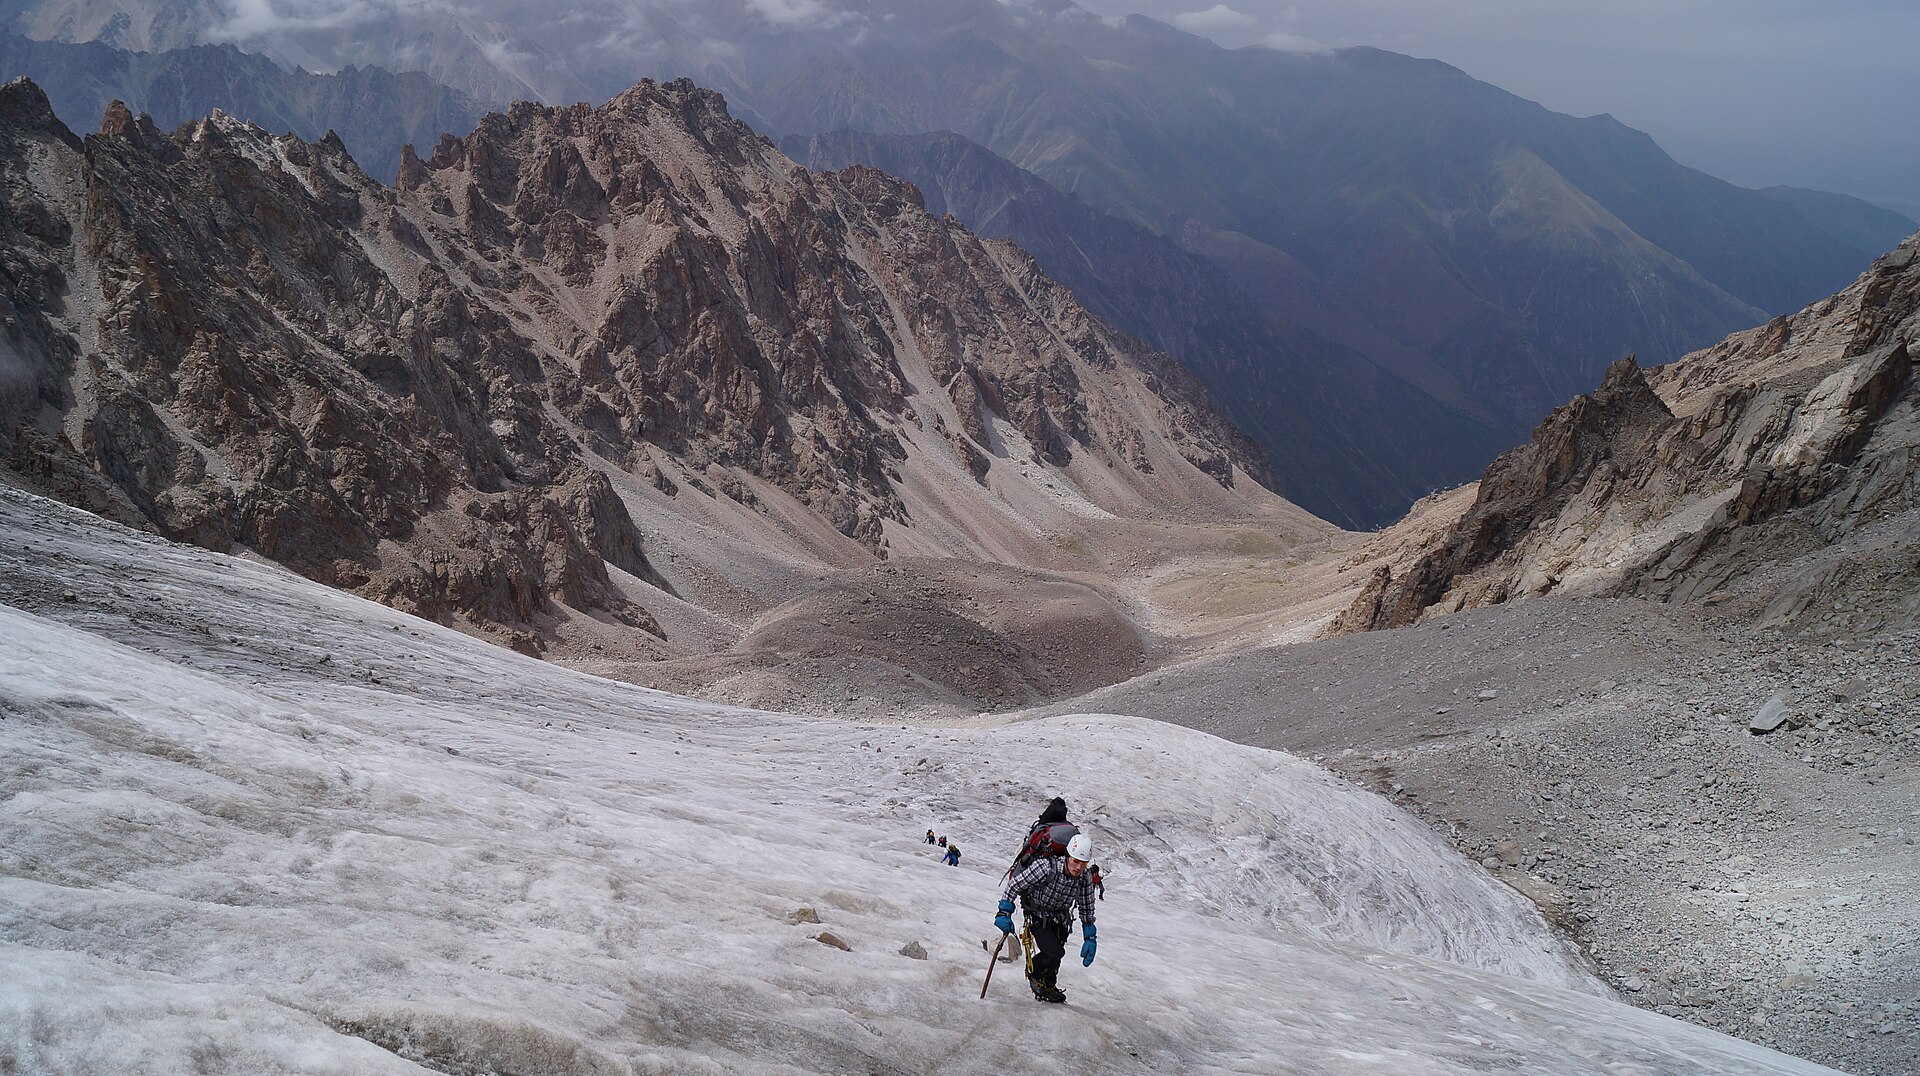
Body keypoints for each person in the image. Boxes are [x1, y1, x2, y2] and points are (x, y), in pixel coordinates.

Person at [993, 832, 1097, 1003]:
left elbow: (1086, 905)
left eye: (1083, 863)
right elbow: (1015, 884)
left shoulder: (1084, 878)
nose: (1078, 867)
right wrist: (1004, 911)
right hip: (1037, 914)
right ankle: (1033, 971)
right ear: (1068, 856)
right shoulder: (1046, 867)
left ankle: (1048, 986)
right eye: (1076, 861)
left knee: (1055, 958)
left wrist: (1090, 935)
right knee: (1054, 952)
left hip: (1061, 917)